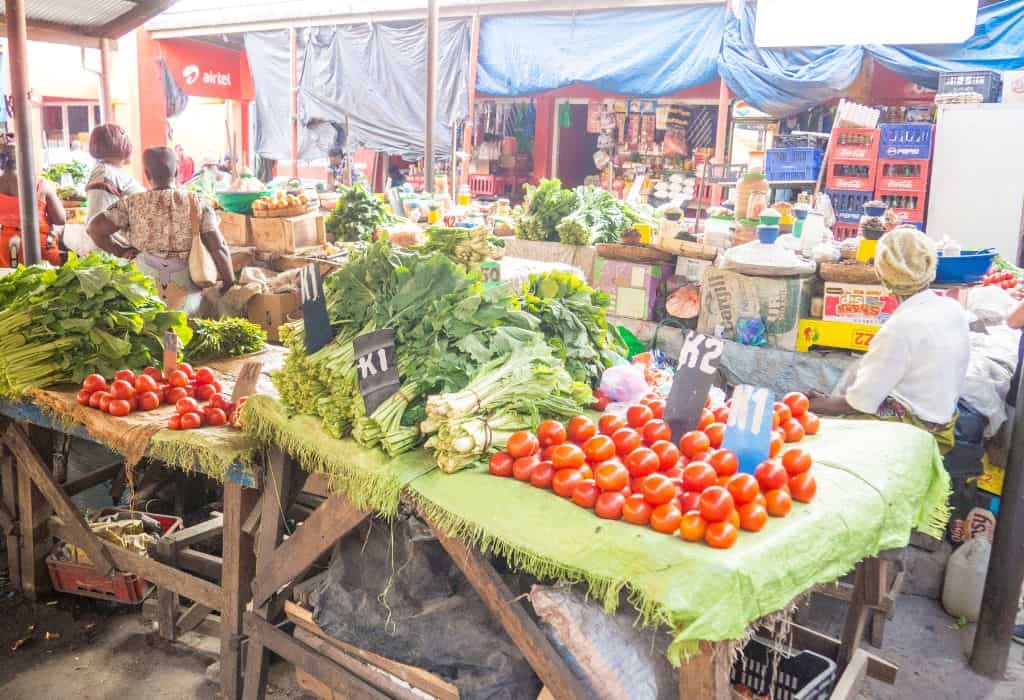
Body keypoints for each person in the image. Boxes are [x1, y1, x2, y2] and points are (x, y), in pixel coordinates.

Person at [809, 226, 970, 454]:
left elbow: (860, 403)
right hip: (943, 420)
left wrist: (810, 405)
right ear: (930, 265)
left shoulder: (900, 328)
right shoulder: (952, 308)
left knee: (825, 433)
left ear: (882, 275)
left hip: (916, 429)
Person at [87, 147, 234, 314]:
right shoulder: (196, 203)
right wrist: (229, 279)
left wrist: (120, 251)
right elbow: (217, 245)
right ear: (177, 172)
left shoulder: (131, 203)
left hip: (144, 283)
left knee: (151, 331)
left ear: (147, 175)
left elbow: (94, 229)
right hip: (187, 284)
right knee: (188, 331)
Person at [0, 143, 66, 266]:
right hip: (37, 244)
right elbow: (60, 219)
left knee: (7, 283)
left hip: (4, 248)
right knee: (47, 282)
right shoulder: (41, 183)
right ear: (26, 159)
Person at [85, 123, 143, 224]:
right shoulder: (105, 174)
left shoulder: (112, 172)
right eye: (128, 143)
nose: (132, 148)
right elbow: (96, 224)